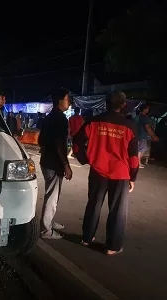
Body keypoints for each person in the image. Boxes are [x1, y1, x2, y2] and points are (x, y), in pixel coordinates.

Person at [73, 91, 139, 256]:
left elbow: (77, 142)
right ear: (123, 105)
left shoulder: (94, 122)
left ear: (105, 103)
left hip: (97, 171)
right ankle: (112, 246)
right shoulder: (129, 126)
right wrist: (133, 177)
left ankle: (87, 238)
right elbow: (133, 157)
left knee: (93, 205)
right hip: (121, 174)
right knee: (117, 211)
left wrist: (84, 159)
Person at [38, 88, 72, 239]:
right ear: (60, 101)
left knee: (53, 194)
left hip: (46, 160)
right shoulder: (61, 119)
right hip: (54, 163)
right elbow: (60, 144)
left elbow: (40, 140)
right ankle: (46, 230)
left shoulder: (49, 117)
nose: (69, 102)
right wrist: (66, 164)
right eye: (67, 99)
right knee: (52, 196)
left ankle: (49, 222)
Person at [134, 103, 159, 168]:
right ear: (144, 109)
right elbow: (147, 127)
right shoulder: (144, 117)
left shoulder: (137, 116)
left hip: (136, 136)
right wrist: (153, 136)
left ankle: (136, 162)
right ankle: (138, 163)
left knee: (138, 150)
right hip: (142, 136)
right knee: (141, 150)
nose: (148, 110)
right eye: (147, 108)